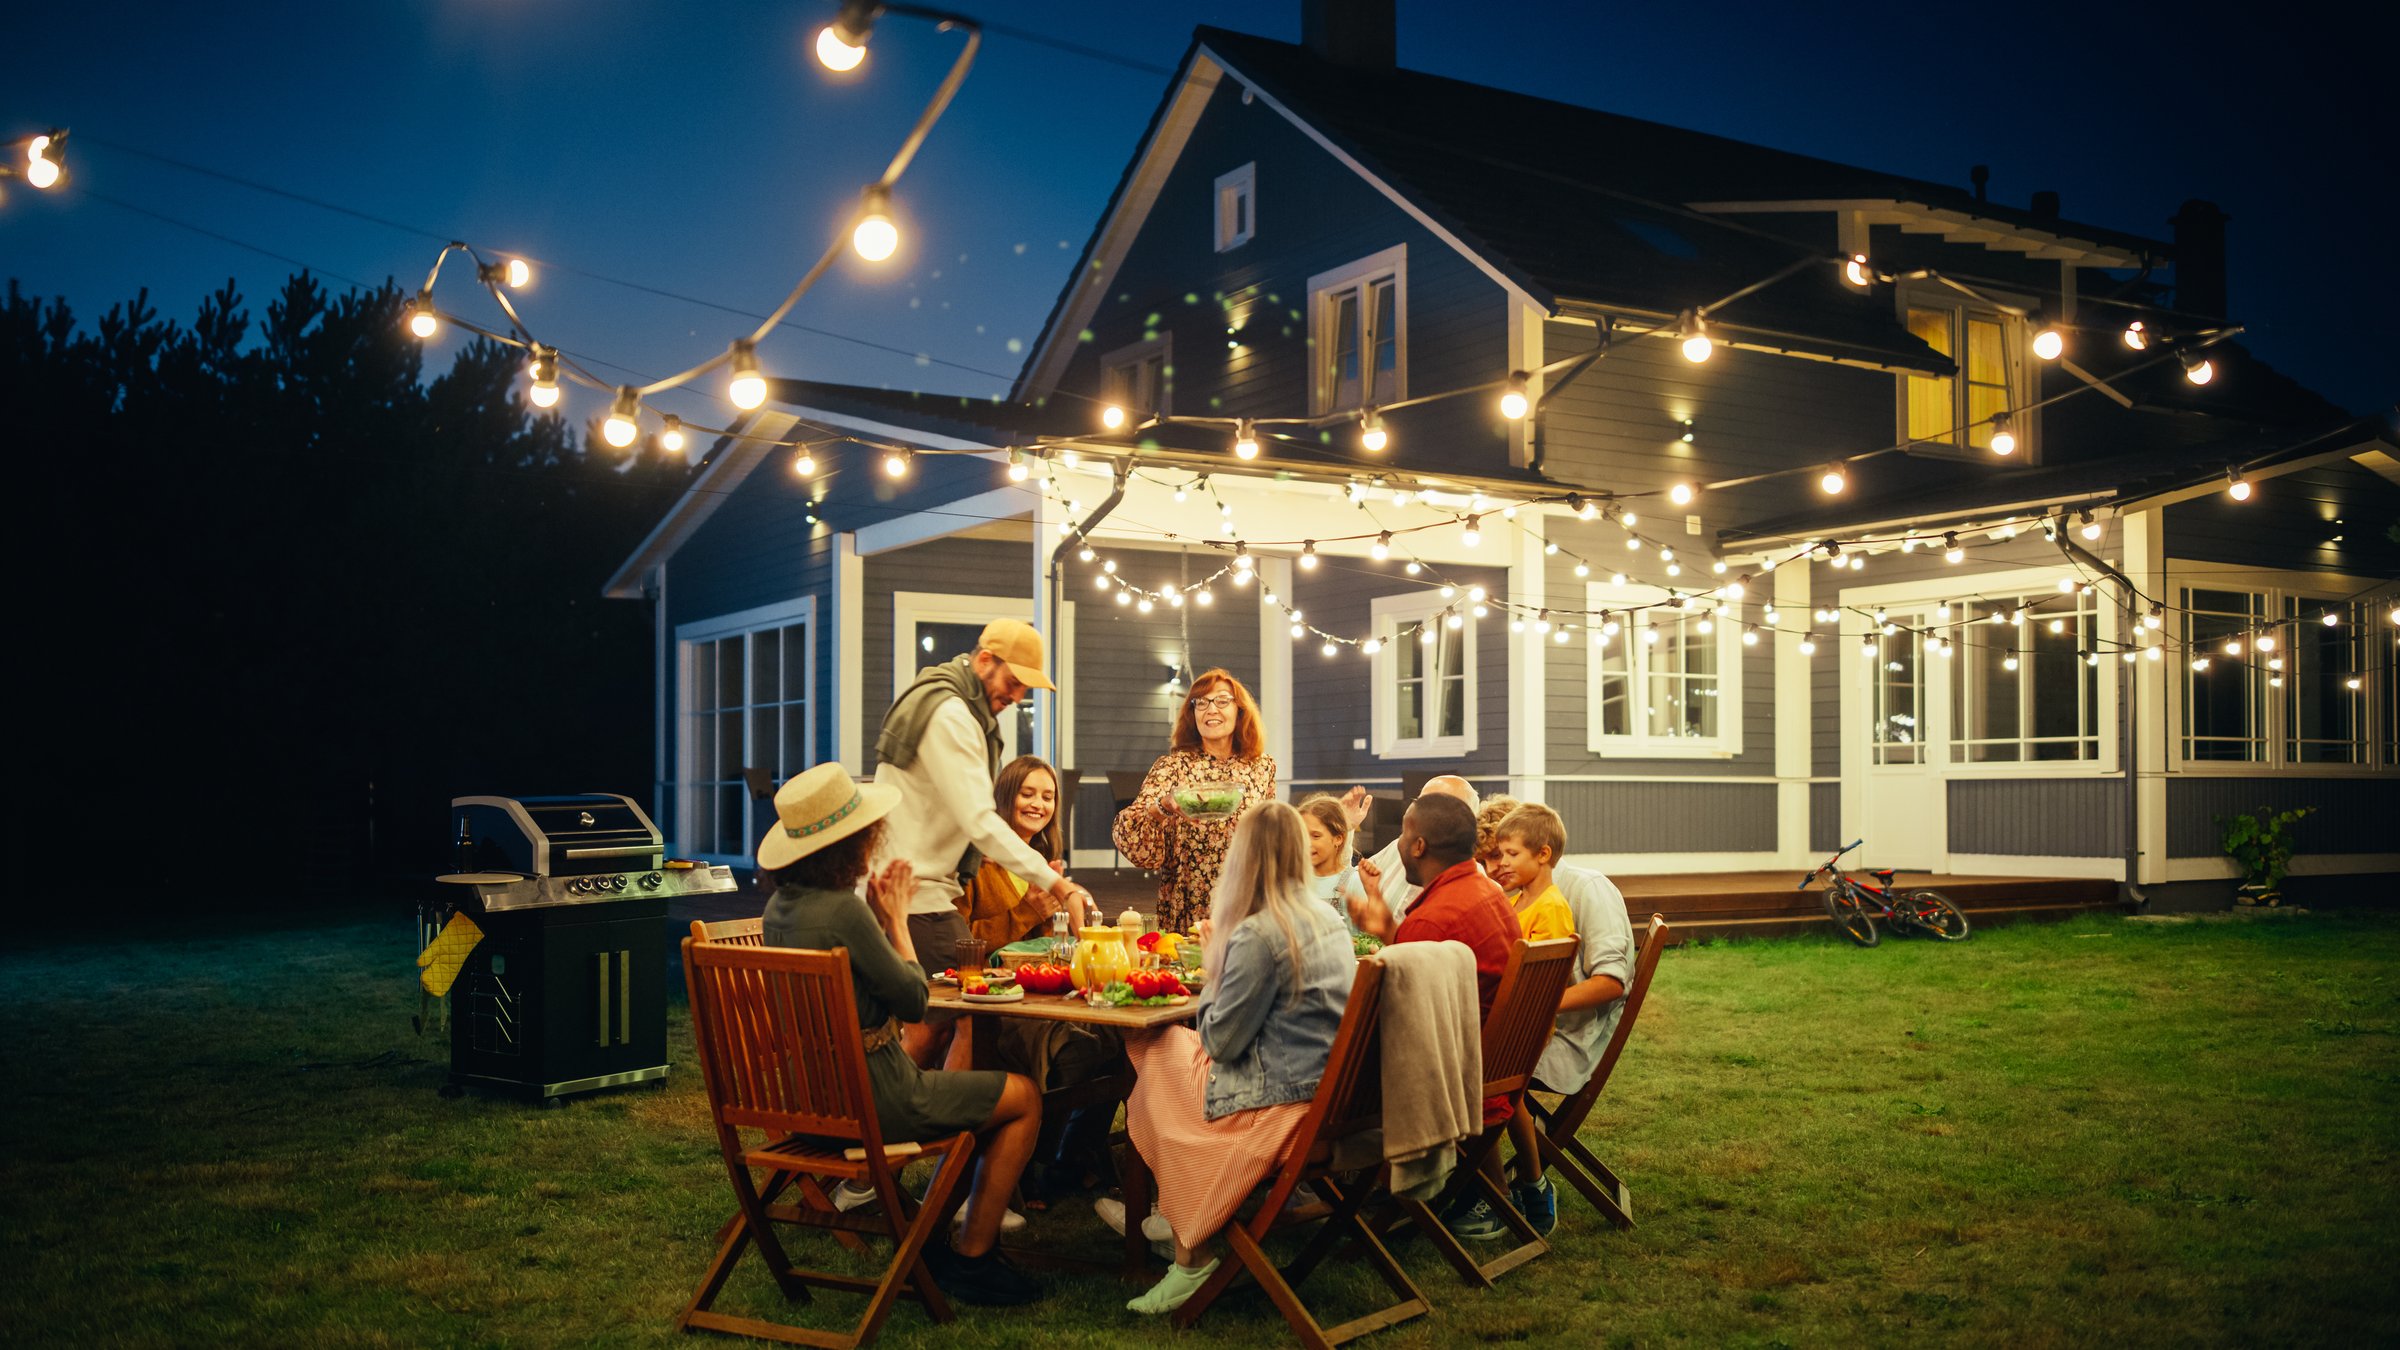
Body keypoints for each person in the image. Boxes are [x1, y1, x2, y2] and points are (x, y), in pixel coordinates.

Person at [755, 764, 1046, 1307]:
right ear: (853, 841)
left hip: (804, 1099)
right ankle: (971, 1257)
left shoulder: (779, 909)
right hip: (870, 1100)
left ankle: (928, 1237)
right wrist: (894, 922)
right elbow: (917, 1003)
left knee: (975, 1098)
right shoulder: (843, 910)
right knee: (1023, 1096)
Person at [1099, 803, 1353, 1315]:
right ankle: (1175, 1217)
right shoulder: (1325, 916)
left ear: (1242, 858)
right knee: (1165, 1049)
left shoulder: (1260, 933)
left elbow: (1219, 1042)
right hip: (1331, 1093)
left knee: (1155, 1051)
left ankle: (1188, 1246)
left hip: (1280, 1101)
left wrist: (1216, 963)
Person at [874, 619, 1096, 1071]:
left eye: (1023, 689)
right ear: (984, 661)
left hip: (926, 888)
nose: (1016, 697)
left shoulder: (958, 710)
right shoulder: (951, 715)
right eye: (1013, 682)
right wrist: (1060, 886)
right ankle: (891, 1115)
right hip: (916, 893)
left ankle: (948, 1129)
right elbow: (979, 819)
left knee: (965, 1019)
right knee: (960, 1017)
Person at [1453, 802, 1590, 1241]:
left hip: (1524, 1030)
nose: (1502, 864)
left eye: (1511, 855)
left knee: (1484, 1091)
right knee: (1497, 1099)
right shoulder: (1516, 900)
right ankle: (1514, 1186)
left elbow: (1542, 985)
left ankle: (1511, 1191)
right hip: (1506, 1023)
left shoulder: (1549, 908)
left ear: (1543, 855)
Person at [1111, 669, 1278, 934]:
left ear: (1240, 710)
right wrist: (1163, 806)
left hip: (1249, 899)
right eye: (1201, 702)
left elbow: (1270, 833)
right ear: (1193, 713)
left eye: (1222, 701)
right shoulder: (1172, 767)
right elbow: (1130, 837)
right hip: (1188, 901)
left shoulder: (1262, 767)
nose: (1211, 709)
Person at [958, 755, 1090, 951]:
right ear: (1004, 797)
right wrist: (1026, 912)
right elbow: (957, 942)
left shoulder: (1043, 865)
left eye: (1047, 798)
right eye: (1027, 795)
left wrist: (1053, 912)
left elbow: (1039, 946)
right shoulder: (975, 862)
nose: (1038, 804)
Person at [1339, 775, 1482, 918]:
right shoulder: (1400, 846)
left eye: (1434, 806)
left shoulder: (1474, 885)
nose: (1420, 811)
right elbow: (1347, 880)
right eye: (1420, 802)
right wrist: (1345, 828)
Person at [1295, 794, 1360, 925]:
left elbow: (1367, 937)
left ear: (1338, 839)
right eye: (1301, 835)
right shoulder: (1292, 881)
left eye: (1316, 836)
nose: (1307, 843)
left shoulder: (1353, 882)